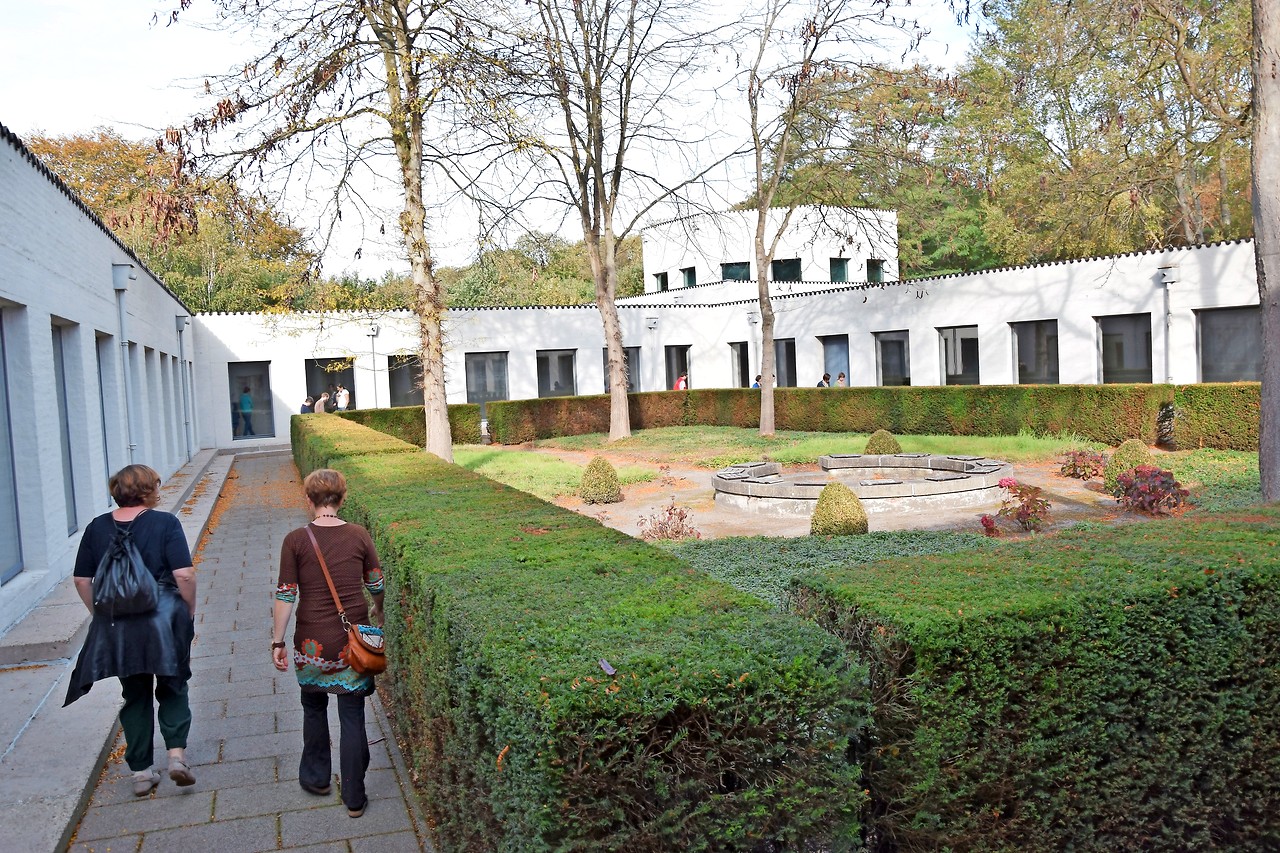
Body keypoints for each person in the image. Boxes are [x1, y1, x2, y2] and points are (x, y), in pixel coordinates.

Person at [64, 464, 198, 796]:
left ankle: (140, 772)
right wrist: (187, 611)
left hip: (120, 627)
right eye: (156, 485)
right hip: (163, 621)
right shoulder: (165, 523)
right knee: (173, 684)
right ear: (148, 490)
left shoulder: (96, 528)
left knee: (134, 693)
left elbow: (82, 579)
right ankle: (177, 756)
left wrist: (100, 611)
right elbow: (184, 574)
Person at [273, 469, 385, 818]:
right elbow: (376, 583)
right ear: (342, 498)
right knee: (352, 714)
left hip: (311, 643)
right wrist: (378, 610)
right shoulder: (358, 535)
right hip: (352, 642)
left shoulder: (295, 540)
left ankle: (317, 778)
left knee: (313, 707)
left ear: (309, 501)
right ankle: (353, 796)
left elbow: (285, 595)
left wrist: (277, 640)